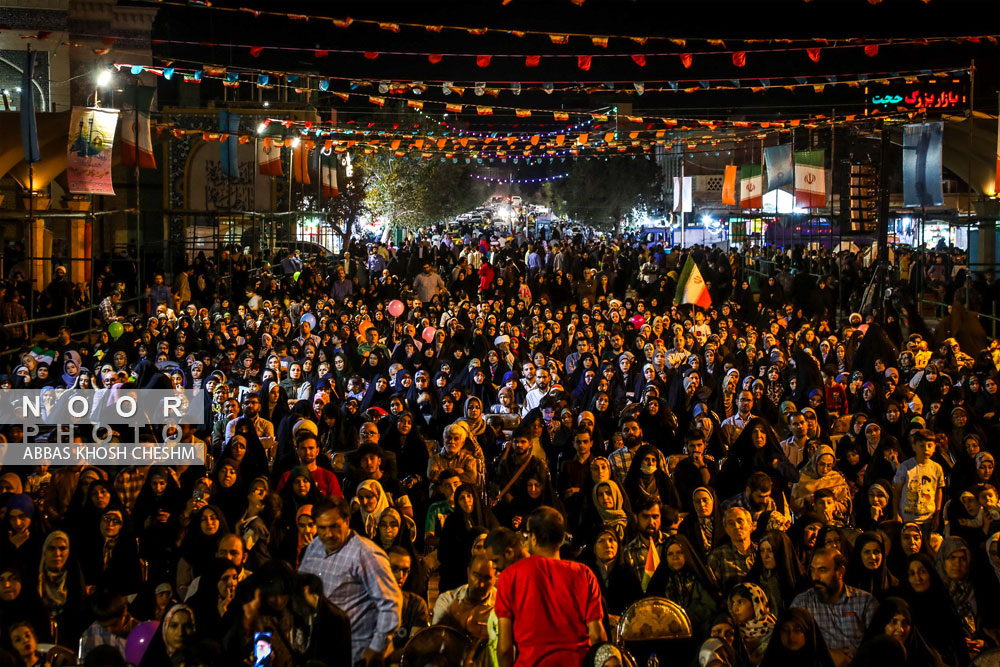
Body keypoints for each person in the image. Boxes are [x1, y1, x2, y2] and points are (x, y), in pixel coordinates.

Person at [495, 506, 606, 667]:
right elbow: (597, 636)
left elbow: (505, 648)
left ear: (533, 538)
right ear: (561, 538)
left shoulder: (510, 576)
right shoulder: (584, 574)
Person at [298, 497, 401, 666]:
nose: (328, 534)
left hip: (357, 653)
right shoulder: (315, 546)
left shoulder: (366, 554)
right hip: (323, 649)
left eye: (334, 526)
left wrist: (375, 648)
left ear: (347, 521)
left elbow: (391, 604)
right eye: (322, 528)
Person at [790, 547, 877, 665]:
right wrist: (827, 654)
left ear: (840, 572)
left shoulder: (865, 601)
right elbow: (790, 644)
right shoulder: (802, 603)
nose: (816, 577)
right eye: (812, 570)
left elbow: (877, 645)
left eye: (823, 570)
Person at [432, 554, 497, 640]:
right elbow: (436, 638)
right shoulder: (447, 600)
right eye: (476, 575)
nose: (480, 584)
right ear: (468, 572)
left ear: (495, 578)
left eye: (487, 578)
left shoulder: (503, 603)